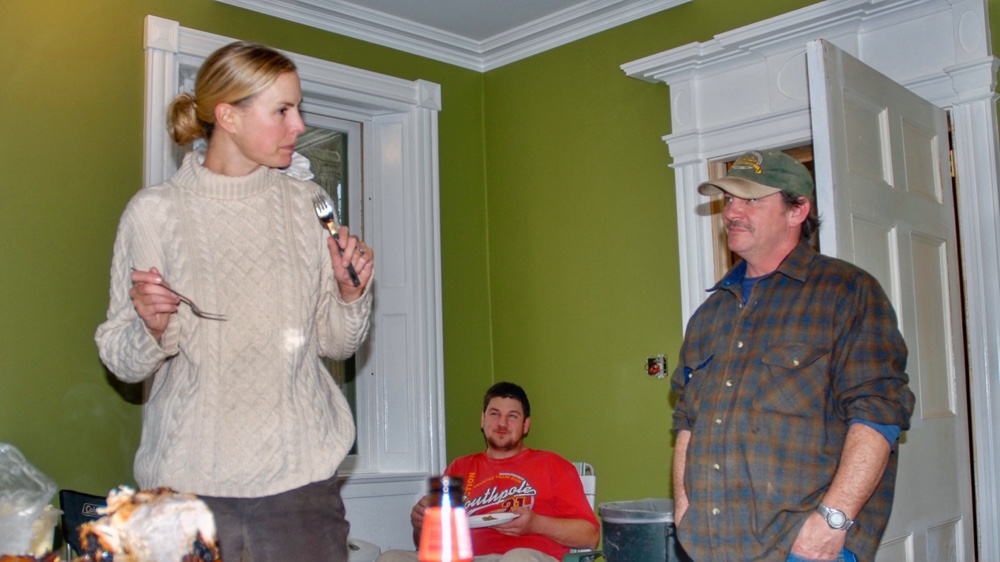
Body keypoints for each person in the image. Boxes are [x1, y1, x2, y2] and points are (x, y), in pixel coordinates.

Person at [95, 41, 374, 561]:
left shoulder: (307, 207)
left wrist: (349, 291)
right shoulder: (154, 214)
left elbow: (337, 342)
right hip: (185, 496)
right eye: (283, 111)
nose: (300, 126)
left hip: (302, 493)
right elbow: (119, 357)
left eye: (300, 108)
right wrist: (152, 328)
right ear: (228, 116)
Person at [671, 150, 915, 562]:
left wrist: (831, 522)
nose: (731, 211)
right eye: (728, 199)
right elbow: (687, 422)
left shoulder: (846, 291)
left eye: (750, 200)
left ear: (797, 209)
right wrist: (683, 509)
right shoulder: (709, 315)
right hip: (711, 544)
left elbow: (879, 412)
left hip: (802, 548)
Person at [377, 382, 599, 562]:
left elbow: (590, 536)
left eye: (512, 416)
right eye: (494, 414)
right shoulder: (459, 468)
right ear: (483, 420)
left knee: (516, 559)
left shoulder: (553, 465)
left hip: (524, 556)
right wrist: (422, 524)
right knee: (390, 558)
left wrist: (535, 524)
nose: (502, 422)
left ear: (526, 425)